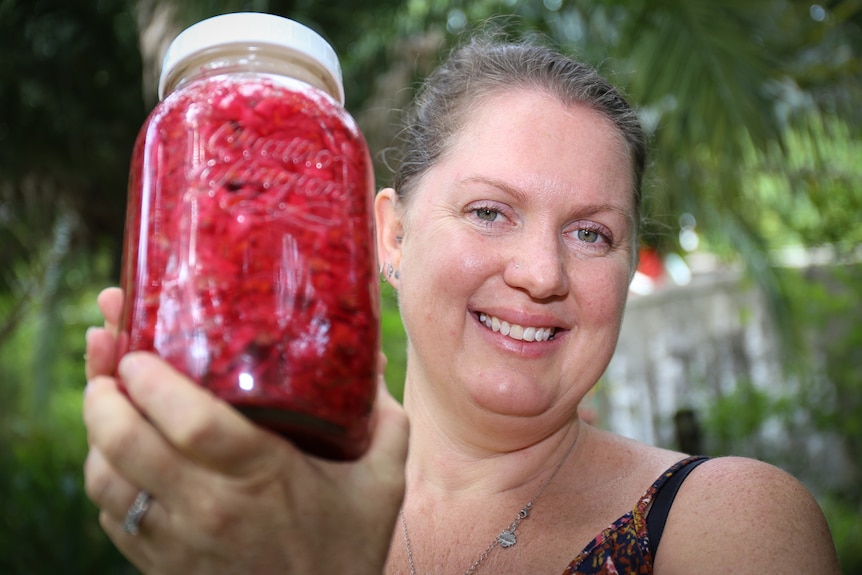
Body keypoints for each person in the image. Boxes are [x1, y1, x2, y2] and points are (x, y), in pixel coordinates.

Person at [82, 35, 841, 574]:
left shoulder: (728, 521)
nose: (542, 273)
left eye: (590, 232)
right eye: (488, 212)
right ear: (391, 236)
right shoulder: (251, 505)